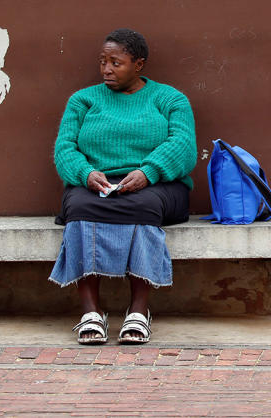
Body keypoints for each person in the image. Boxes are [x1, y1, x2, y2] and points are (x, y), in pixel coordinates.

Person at [49, 29, 197, 344]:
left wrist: (149, 172)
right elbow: (65, 149)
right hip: (94, 184)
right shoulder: (83, 100)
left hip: (158, 185)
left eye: (116, 62)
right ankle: (91, 311)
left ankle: (139, 311)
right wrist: (86, 173)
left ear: (139, 64)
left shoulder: (170, 99)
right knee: (77, 206)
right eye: (102, 62)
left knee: (143, 206)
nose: (106, 69)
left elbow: (183, 145)